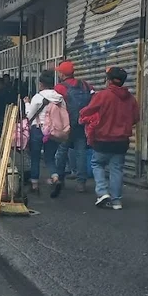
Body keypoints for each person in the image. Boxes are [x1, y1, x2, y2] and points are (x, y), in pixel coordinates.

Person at [79, 67, 139, 210]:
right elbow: (136, 118)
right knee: (117, 169)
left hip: (103, 139)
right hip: (122, 141)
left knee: (97, 164)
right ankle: (116, 201)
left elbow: (87, 111)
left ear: (109, 80)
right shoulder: (130, 98)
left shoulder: (103, 95)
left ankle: (102, 192)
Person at [53, 61, 93, 196]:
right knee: (81, 152)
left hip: (66, 124)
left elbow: (55, 107)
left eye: (59, 71)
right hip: (82, 123)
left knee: (62, 151)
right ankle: (81, 182)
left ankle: (59, 178)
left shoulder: (60, 88)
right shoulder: (85, 85)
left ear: (62, 74)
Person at [24, 70, 67, 193]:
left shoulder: (38, 97)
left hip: (38, 130)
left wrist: (27, 103)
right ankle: (55, 177)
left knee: (35, 157)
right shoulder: (59, 98)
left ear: (41, 84)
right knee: (50, 157)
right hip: (52, 132)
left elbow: (29, 115)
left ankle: (34, 185)